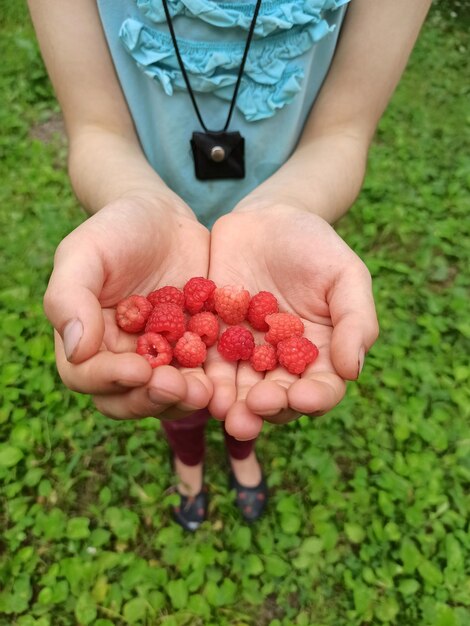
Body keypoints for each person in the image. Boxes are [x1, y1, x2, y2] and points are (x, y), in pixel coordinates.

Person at [28, 0, 431, 530]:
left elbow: (344, 130)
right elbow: (97, 128)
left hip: (282, 229)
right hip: (155, 232)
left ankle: (241, 448)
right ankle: (187, 457)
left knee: (233, 391)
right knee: (175, 383)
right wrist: (132, 197)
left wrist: (289, 209)